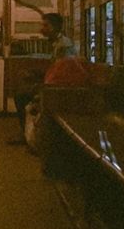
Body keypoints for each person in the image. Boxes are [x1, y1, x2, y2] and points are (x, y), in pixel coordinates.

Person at [8, 12, 75, 143]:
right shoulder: (58, 43)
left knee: (21, 97)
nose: (41, 28)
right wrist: (35, 74)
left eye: (45, 25)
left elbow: (62, 70)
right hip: (56, 83)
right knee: (23, 92)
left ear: (54, 27)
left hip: (61, 88)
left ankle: (27, 135)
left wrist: (38, 79)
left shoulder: (63, 45)